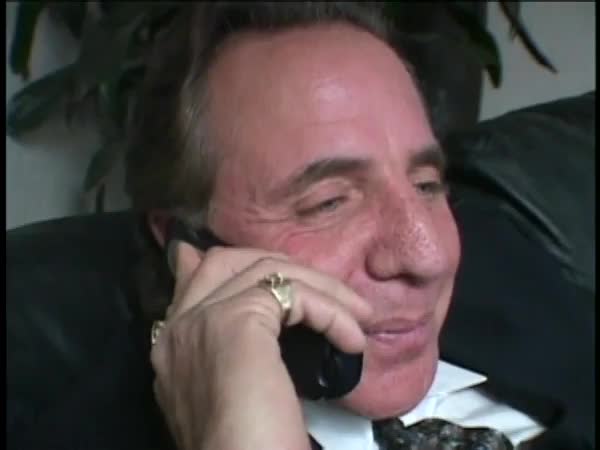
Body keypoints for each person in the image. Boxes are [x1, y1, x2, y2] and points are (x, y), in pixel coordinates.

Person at [121, 3, 556, 449]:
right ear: (181, 241)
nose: (428, 258)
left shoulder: (525, 289)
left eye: (426, 185)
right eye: (329, 203)